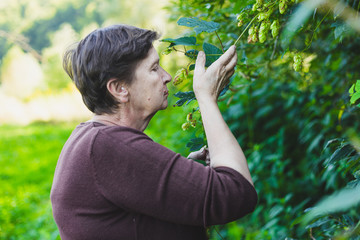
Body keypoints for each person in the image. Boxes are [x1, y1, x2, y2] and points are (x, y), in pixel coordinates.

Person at [50, 24, 257, 240]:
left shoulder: (91, 139)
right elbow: (236, 194)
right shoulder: (107, 147)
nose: (166, 76)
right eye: (154, 68)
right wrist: (206, 98)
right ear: (120, 89)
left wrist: (186, 179)